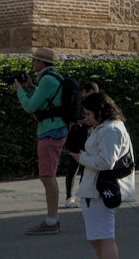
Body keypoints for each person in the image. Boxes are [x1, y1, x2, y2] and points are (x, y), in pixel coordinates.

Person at [68, 91, 135, 259]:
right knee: (96, 238)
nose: (87, 117)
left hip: (100, 190)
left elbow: (106, 162)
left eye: (89, 113)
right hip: (96, 189)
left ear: (100, 111)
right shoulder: (107, 127)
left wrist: (81, 157)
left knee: (104, 238)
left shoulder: (110, 129)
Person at [16, 46, 71, 235]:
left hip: (50, 132)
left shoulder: (47, 79)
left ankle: (51, 221)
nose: (32, 63)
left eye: (34, 60)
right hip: (56, 129)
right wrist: (31, 87)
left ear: (41, 62)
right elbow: (48, 101)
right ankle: (52, 219)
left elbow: (30, 106)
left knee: (47, 176)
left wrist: (19, 91)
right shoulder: (54, 78)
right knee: (49, 175)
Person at [62, 81, 99, 209]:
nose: (92, 97)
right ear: (84, 92)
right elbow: (74, 120)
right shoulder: (77, 102)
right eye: (90, 94)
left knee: (86, 168)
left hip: (87, 138)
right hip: (76, 138)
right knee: (73, 168)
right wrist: (84, 121)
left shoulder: (92, 103)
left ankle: (83, 195)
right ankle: (69, 197)